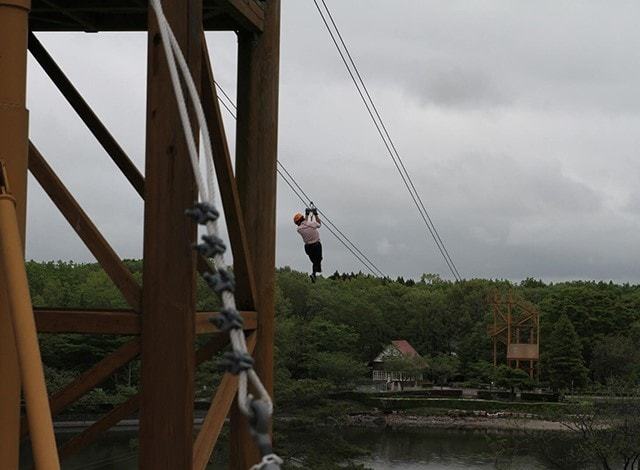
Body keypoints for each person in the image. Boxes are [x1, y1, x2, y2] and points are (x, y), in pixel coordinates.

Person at [294, 209, 322, 282]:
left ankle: (315, 272)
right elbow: (319, 224)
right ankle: (315, 272)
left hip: (308, 248)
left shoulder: (299, 229)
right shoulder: (312, 224)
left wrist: (307, 214)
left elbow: (304, 223)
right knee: (318, 260)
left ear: (298, 222)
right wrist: (316, 214)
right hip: (316, 245)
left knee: (314, 261)